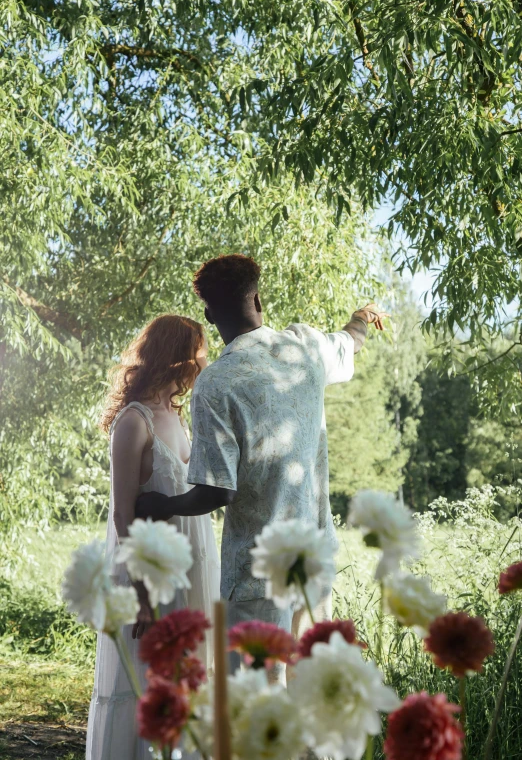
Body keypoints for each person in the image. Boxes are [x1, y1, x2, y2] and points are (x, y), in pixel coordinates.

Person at [136, 255, 388, 682]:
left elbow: (217, 492)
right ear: (257, 296)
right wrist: (361, 316)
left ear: (209, 313)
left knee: (255, 713)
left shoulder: (216, 383)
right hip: (313, 562)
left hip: (255, 579)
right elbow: (350, 341)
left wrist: (162, 504)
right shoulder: (305, 349)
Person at [86, 314, 220, 760]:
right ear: (178, 356)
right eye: (200, 349)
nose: (205, 358)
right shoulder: (133, 422)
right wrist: (142, 595)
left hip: (190, 571)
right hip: (150, 579)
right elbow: (123, 513)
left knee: (186, 686)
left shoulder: (177, 417)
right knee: (147, 688)